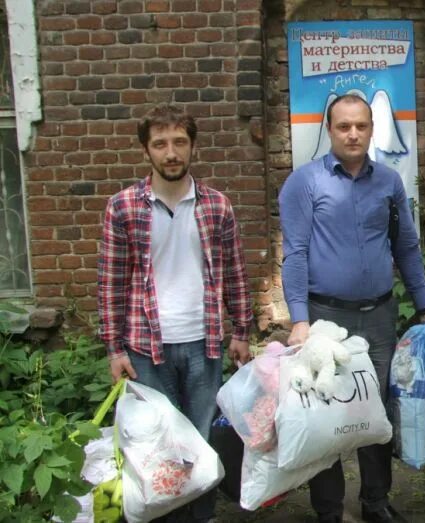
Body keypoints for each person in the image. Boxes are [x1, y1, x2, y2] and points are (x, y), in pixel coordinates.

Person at [279, 93, 425, 523]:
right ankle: (328, 510)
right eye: (343, 126)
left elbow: (406, 246)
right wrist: (298, 320)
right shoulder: (305, 182)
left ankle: (375, 503)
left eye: (361, 126)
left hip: (380, 317)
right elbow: (294, 253)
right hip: (324, 319)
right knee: (325, 412)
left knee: (377, 412)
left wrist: (424, 305)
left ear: (372, 129)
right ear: (329, 130)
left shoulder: (388, 182)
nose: (353, 133)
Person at [98, 105, 253, 523]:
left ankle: (201, 516)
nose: (171, 153)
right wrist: (114, 349)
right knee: (157, 442)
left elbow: (235, 271)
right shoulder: (124, 207)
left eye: (179, 143)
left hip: (204, 342)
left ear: (192, 147)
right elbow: (110, 281)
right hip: (146, 347)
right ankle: (165, 515)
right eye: (160, 144)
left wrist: (241, 329)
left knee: (199, 439)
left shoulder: (217, 206)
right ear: (146, 150)